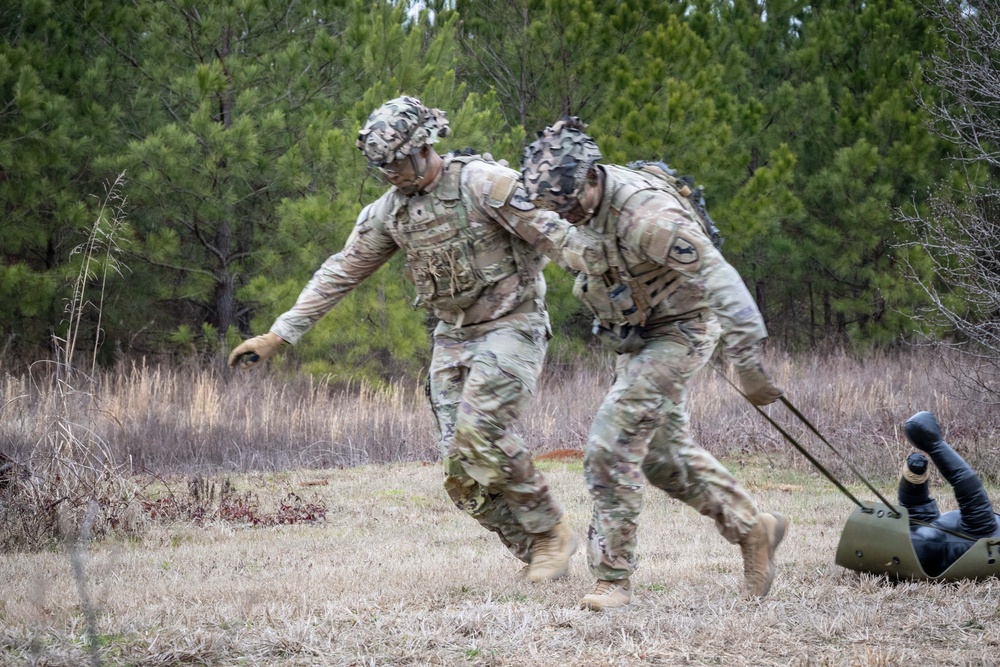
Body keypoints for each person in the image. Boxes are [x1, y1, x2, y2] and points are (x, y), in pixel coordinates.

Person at [229, 97, 601, 583]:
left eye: (398, 162)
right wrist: (279, 334)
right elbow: (341, 272)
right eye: (382, 167)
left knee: (479, 433)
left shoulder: (484, 184)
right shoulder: (389, 213)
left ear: (424, 148)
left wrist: (617, 287)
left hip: (513, 324)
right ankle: (536, 552)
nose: (391, 174)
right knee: (461, 472)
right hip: (453, 336)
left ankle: (551, 533)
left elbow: (561, 238)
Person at [519, 117, 788, 610]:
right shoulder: (570, 203)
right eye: (556, 208)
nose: (566, 215)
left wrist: (747, 364)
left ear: (593, 176)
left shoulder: (648, 218)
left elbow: (721, 279)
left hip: (682, 329)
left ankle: (612, 579)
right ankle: (754, 529)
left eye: (571, 204)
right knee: (661, 458)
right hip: (639, 336)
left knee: (611, 443)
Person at [897, 411, 1000, 577]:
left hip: (956, 543)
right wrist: (916, 472)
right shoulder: (983, 532)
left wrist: (935, 445)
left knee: (920, 526)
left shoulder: (984, 538)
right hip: (934, 538)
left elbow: (966, 484)